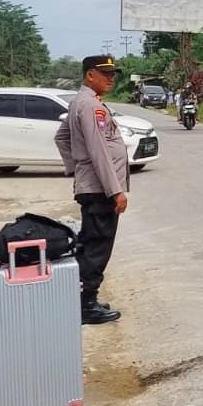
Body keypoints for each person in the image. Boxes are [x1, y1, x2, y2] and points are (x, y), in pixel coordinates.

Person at [54, 55, 131, 325]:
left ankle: (85, 299)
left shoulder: (82, 101)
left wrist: (76, 168)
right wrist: (115, 191)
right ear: (89, 75)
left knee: (91, 243)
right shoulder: (90, 106)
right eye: (105, 73)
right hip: (100, 189)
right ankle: (86, 305)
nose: (111, 78)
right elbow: (99, 151)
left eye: (113, 74)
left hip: (93, 185)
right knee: (97, 247)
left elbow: (61, 137)